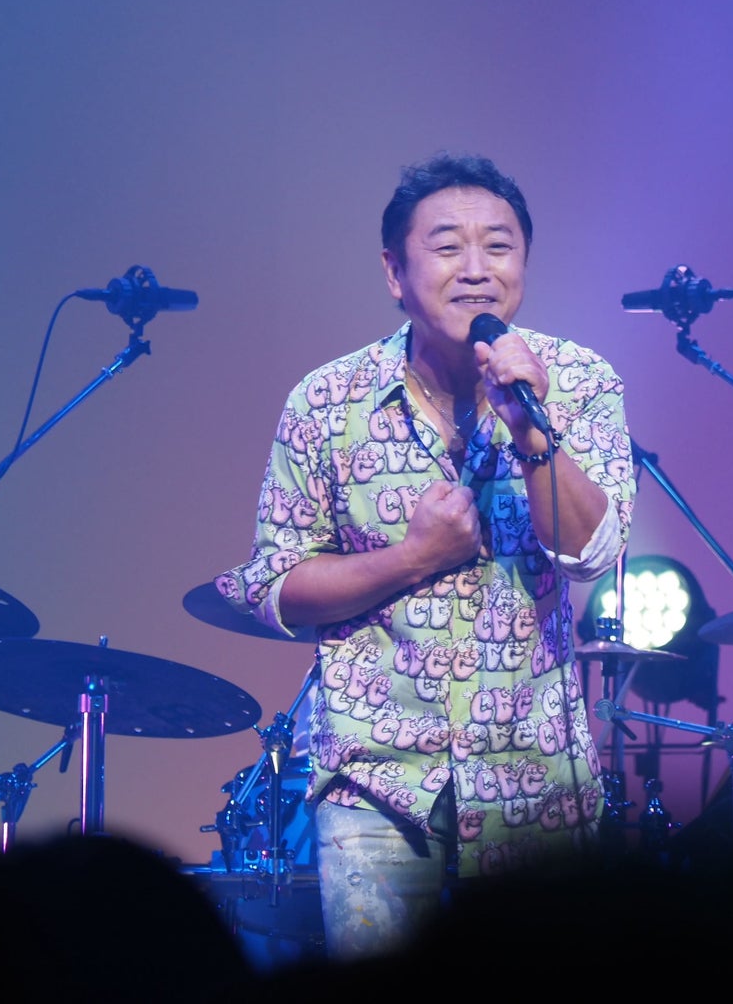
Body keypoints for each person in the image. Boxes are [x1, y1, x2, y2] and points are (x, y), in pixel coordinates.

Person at [215, 152, 635, 962]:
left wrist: (529, 427)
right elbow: (276, 585)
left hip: (534, 779)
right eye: (447, 247)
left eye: (499, 246)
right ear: (394, 272)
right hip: (376, 783)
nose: (477, 269)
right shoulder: (326, 403)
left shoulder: (579, 383)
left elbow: (593, 553)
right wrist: (411, 559)